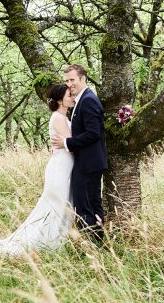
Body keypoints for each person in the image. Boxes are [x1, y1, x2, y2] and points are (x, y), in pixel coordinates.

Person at [0, 83, 75, 256]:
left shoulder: (64, 118)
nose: (72, 97)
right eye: (68, 94)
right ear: (59, 100)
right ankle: (46, 243)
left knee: (63, 205)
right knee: (56, 205)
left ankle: (55, 241)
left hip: (66, 165)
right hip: (60, 166)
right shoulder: (58, 118)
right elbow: (72, 145)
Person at [52, 64, 108, 242]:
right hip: (88, 162)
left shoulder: (89, 100)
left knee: (85, 205)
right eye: (67, 80)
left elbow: (93, 133)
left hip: (89, 163)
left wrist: (66, 142)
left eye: (72, 80)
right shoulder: (82, 99)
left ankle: (93, 244)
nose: (69, 84)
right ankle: (96, 241)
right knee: (90, 203)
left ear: (83, 78)